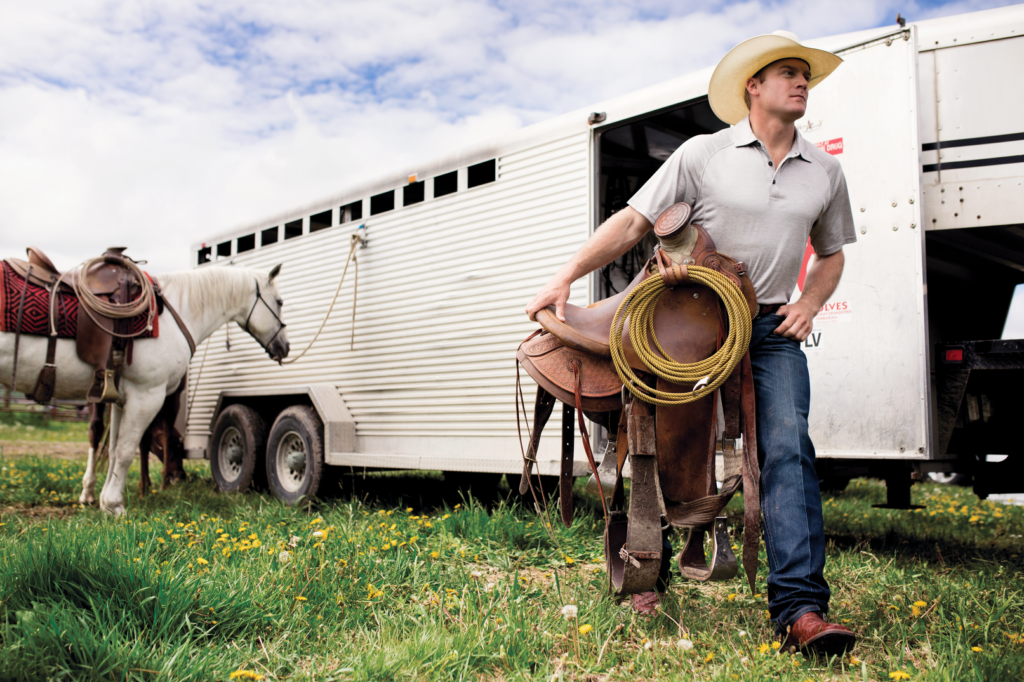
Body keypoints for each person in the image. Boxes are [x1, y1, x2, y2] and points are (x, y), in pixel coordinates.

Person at [525, 31, 857, 656]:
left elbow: (832, 254)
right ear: (752, 88)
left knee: (788, 453)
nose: (800, 81)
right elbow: (634, 222)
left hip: (767, 325)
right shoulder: (704, 154)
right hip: (687, 324)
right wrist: (565, 277)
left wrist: (810, 302)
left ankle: (801, 610)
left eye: (804, 74)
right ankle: (647, 561)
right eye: (786, 72)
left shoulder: (825, 172)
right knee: (659, 440)